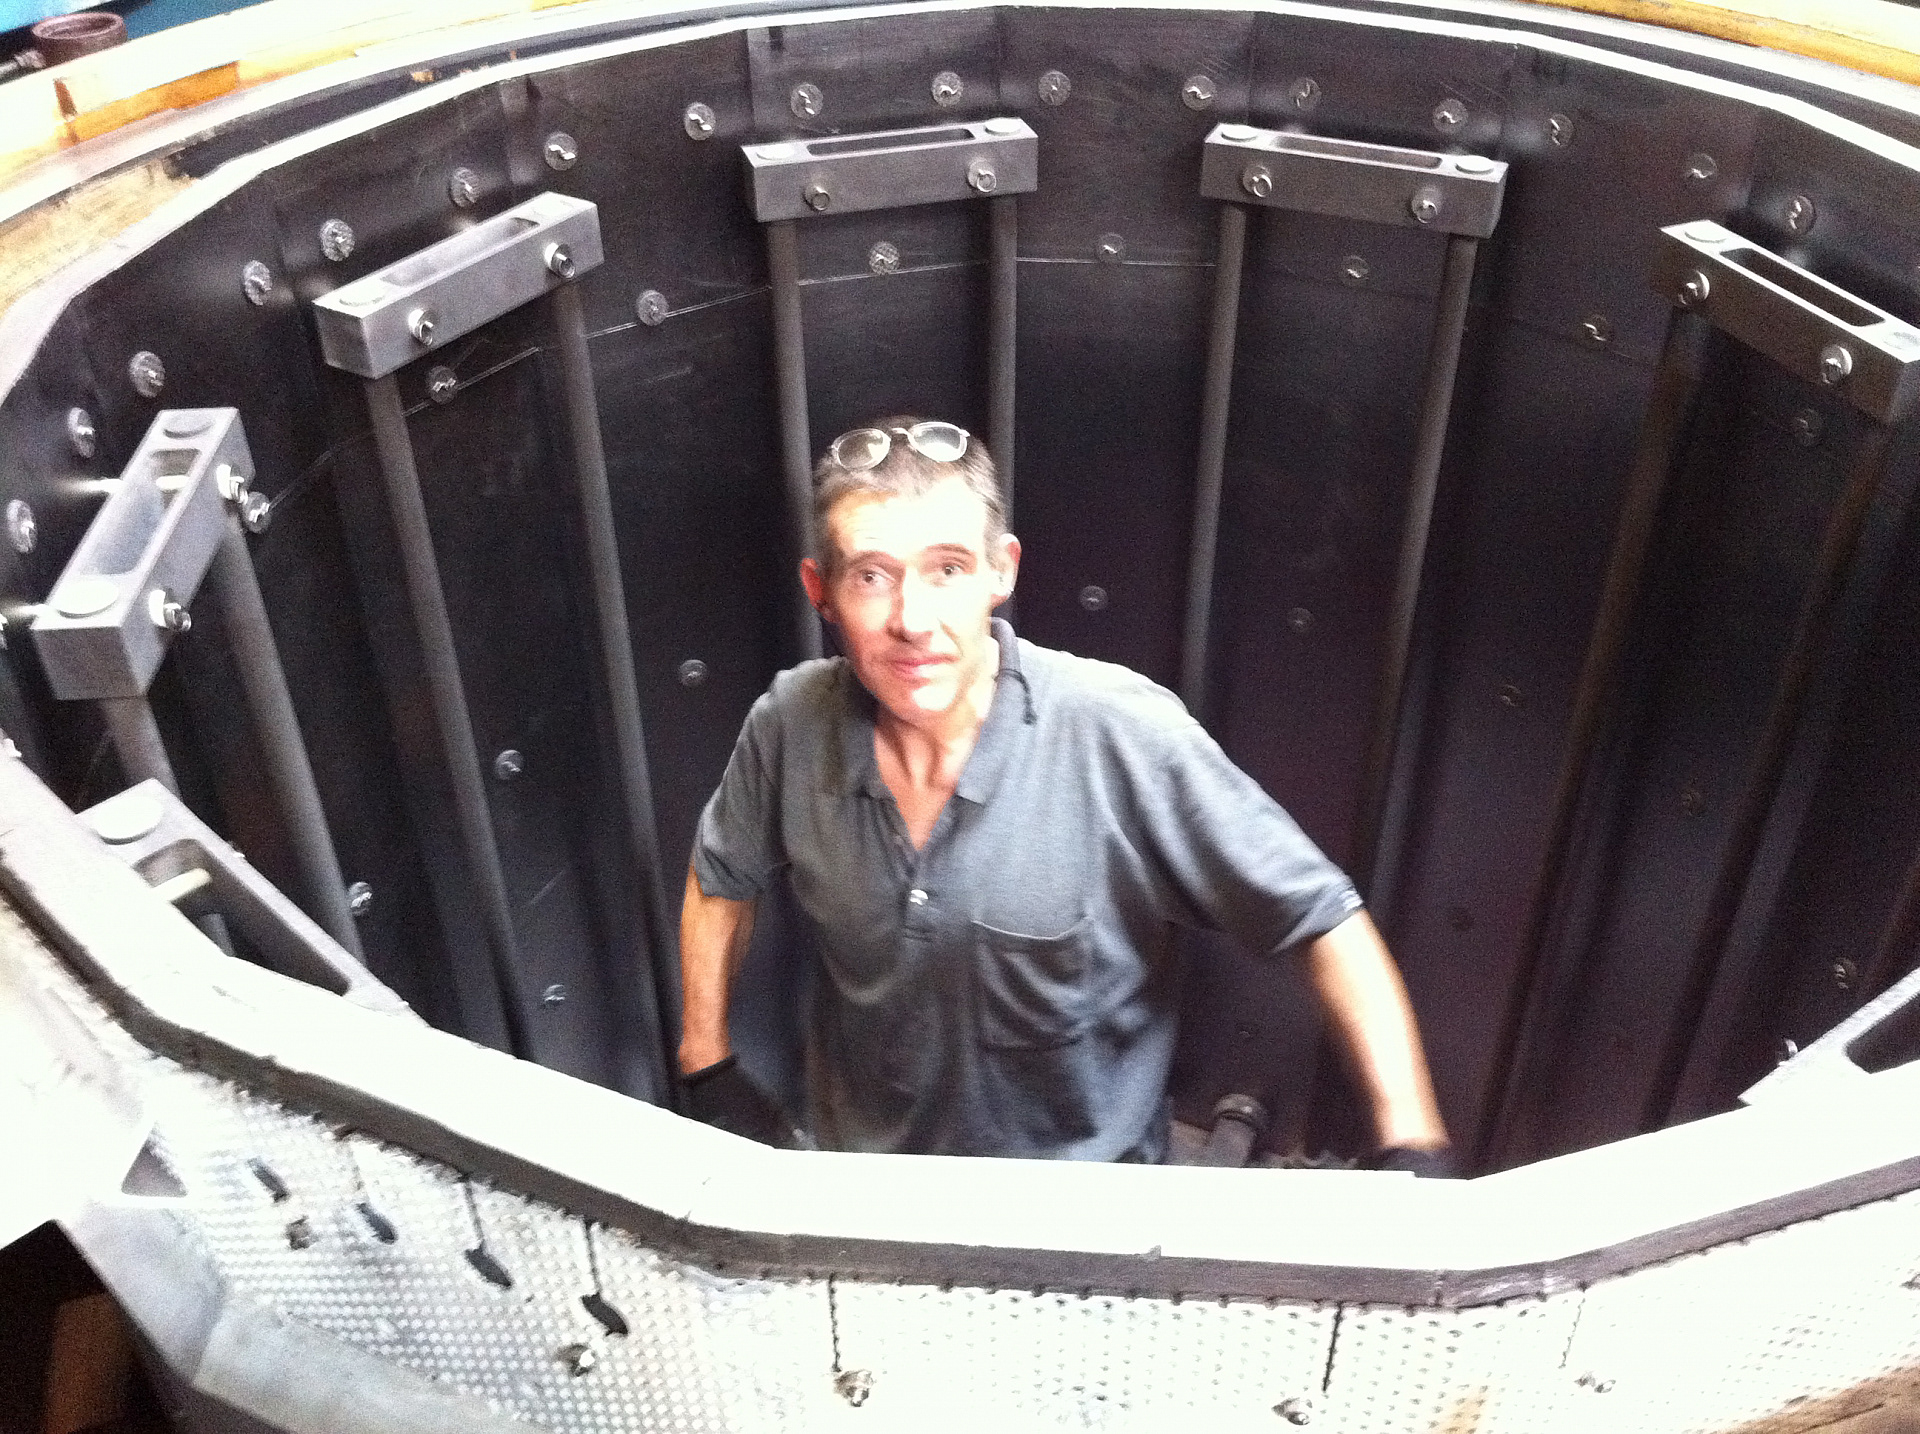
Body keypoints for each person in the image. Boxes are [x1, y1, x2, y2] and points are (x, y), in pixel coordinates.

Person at [677, 416, 1452, 1171]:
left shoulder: (1121, 733)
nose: (913, 620)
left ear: (1001, 571)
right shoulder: (791, 723)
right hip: (868, 1186)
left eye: (947, 569)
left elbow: (1323, 920)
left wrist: (1414, 1144)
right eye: (872, 577)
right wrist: (706, 1063)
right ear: (821, 591)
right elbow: (721, 879)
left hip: (1085, 1209)